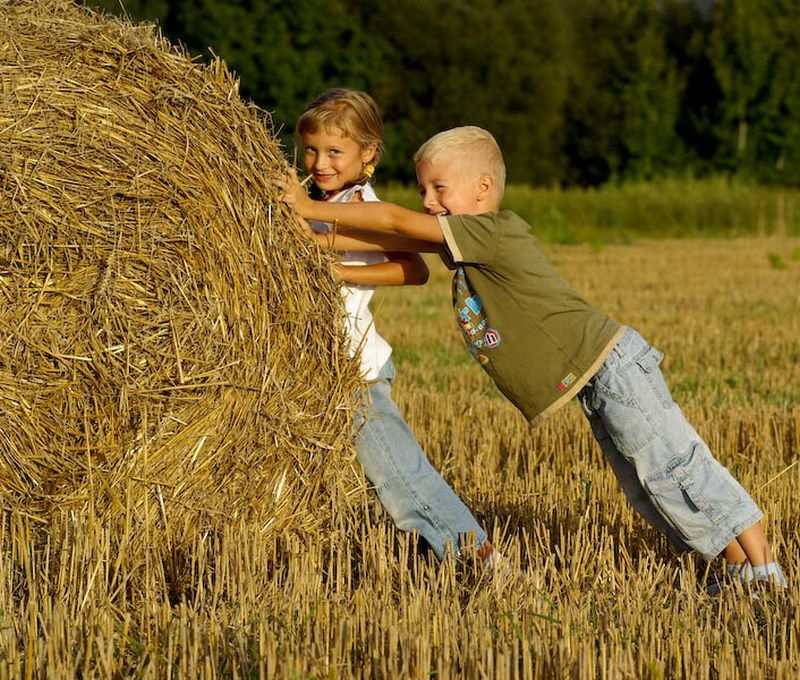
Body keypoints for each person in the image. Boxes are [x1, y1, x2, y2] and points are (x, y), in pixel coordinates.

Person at [280, 124, 787, 592]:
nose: (428, 202)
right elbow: (395, 235)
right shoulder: (462, 243)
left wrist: (309, 208)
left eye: (439, 189)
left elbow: (391, 219)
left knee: (676, 466)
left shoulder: (491, 231)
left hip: (611, 368)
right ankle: (738, 567)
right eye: (422, 191)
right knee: (647, 485)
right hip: (594, 380)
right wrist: (307, 241)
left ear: (482, 188)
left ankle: (764, 567)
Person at [295, 92, 493, 565]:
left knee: (399, 473)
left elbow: (414, 269)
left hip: (353, 368)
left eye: (334, 152)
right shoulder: (321, 199)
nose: (320, 162)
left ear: (367, 153)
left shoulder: (359, 203)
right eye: (311, 150)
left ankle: (476, 557)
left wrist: (337, 270)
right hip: (312, 363)